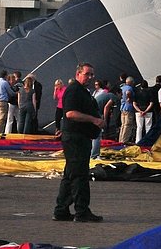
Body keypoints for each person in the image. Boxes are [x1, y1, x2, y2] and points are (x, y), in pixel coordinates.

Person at [54, 62, 104, 223]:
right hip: (75, 138)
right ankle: (82, 211)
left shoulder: (82, 91)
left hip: (80, 137)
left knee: (70, 175)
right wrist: (94, 119)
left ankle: (61, 210)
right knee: (80, 176)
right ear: (78, 74)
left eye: (91, 75)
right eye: (87, 74)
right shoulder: (74, 90)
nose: (90, 77)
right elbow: (70, 113)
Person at [118, 76, 136, 144]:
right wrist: (129, 98)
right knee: (127, 125)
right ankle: (124, 140)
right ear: (131, 82)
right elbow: (128, 92)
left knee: (123, 125)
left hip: (122, 107)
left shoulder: (122, 87)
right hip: (128, 108)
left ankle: (121, 139)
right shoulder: (129, 88)